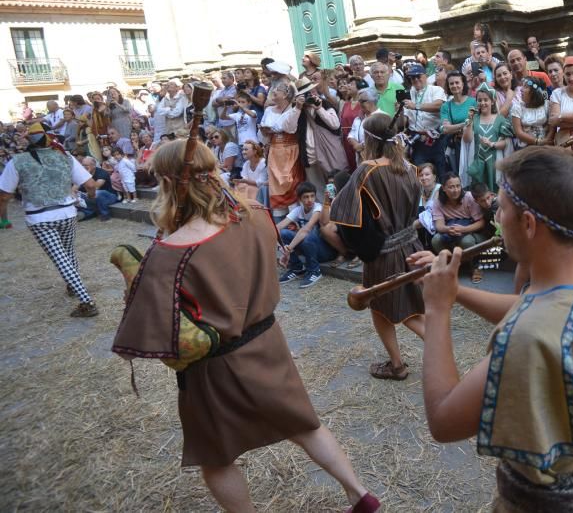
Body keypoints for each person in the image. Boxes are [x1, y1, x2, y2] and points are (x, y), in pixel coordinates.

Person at [110, 140, 379, 513]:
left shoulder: (169, 250)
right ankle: (360, 495)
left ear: (169, 183)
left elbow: (155, 325)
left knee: (217, 458)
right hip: (268, 342)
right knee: (305, 426)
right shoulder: (254, 212)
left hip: (214, 366)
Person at [413, 145, 573, 511]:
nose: (497, 218)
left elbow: (442, 420)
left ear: (529, 224)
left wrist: (437, 309)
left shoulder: (528, 338)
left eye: (502, 208)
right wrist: (456, 292)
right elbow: (535, 306)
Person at [326, 112, 423, 381]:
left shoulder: (367, 170)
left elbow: (342, 212)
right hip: (411, 246)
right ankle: (422, 355)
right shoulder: (409, 168)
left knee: (382, 307)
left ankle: (398, 365)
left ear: (369, 138)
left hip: (384, 252)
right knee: (410, 306)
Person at [0, 122, 100, 317]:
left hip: (39, 218)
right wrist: (93, 197)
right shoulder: (65, 156)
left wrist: (3, 219)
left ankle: (87, 301)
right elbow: (90, 184)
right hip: (67, 213)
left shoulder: (17, 161)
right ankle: (73, 287)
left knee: (61, 259)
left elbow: (4, 196)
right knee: (68, 254)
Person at [430, 172, 489, 283]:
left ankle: (475, 267)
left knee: (467, 241)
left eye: (458, 186)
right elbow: (439, 225)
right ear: (443, 188)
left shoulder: (468, 197)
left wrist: (463, 229)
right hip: (451, 232)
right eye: (451, 187)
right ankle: (448, 267)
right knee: (436, 240)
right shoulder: (438, 203)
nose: (455, 190)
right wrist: (448, 229)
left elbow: (481, 223)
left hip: (472, 231)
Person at [275, 182, 335, 289]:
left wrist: (288, 249)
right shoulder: (298, 210)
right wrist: (280, 247)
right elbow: (277, 228)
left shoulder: (318, 208)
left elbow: (306, 230)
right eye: (306, 197)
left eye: (312, 196)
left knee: (307, 236)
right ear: (300, 199)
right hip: (308, 249)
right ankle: (297, 268)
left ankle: (315, 271)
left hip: (325, 251)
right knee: (284, 234)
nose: (309, 200)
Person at [260, 83, 304, 215]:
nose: (272, 94)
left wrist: (272, 129)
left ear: (285, 95)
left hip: (291, 150)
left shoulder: (294, 109)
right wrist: (264, 131)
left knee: (291, 182)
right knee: (276, 184)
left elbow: (290, 127)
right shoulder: (268, 110)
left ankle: (295, 219)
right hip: (274, 151)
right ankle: (280, 220)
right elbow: (263, 133)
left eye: (275, 92)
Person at [460, 85, 512, 192]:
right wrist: (469, 120)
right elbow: (467, 140)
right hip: (478, 163)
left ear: (492, 101)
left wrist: (492, 144)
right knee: (478, 192)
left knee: (494, 192)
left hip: (494, 163)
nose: (482, 103)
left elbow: (506, 143)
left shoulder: (500, 120)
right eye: (479, 100)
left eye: (485, 100)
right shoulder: (474, 119)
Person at [402, 63, 447, 178]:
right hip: (417, 139)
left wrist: (416, 105)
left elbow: (438, 106)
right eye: (412, 77)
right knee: (420, 173)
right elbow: (404, 121)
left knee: (441, 171)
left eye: (418, 76)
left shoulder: (436, 89)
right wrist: (399, 112)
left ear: (425, 76)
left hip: (435, 137)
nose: (416, 79)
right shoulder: (408, 93)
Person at [510, 77, 550, 149]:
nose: (521, 89)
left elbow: (552, 125)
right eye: (522, 86)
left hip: (545, 146)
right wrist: (538, 142)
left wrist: (547, 140)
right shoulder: (517, 107)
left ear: (534, 92)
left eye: (525, 87)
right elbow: (519, 133)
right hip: (525, 148)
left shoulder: (546, 105)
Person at [79, 155, 120, 222]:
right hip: (91, 196)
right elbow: (77, 187)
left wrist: (87, 175)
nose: (84, 167)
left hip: (110, 196)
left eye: (86, 165)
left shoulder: (102, 172)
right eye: (83, 165)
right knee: (75, 195)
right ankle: (87, 213)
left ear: (94, 165)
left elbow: (95, 187)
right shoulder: (82, 173)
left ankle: (105, 215)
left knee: (97, 193)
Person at [338, 78, 367, 173]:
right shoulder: (346, 104)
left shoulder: (365, 104)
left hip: (361, 140)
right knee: (352, 166)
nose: (348, 86)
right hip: (347, 140)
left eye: (352, 84)